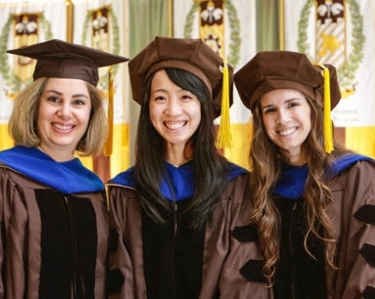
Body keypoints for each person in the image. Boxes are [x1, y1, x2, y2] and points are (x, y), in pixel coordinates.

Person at [104, 36, 268, 299]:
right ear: (147, 107)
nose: (173, 110)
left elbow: (244, 280)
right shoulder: (124, 192)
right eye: (160, 98)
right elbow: (118, 279)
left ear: (203, 105)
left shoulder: (236, 188)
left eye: (186, 96)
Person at [0, 39, 128, 299]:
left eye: (78, 102)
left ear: (91, 113)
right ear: (35, 105)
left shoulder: (97, 193)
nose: (65, 112)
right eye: (54, 99)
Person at [233, 50, 375, 299]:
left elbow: (371, 266)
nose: (282, 118)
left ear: (314, 109)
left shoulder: (356, 175)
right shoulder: (256, 186)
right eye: (270, 110)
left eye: (292, 104)